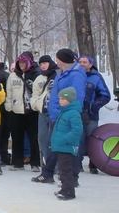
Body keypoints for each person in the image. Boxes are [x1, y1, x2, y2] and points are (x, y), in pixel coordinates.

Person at [32, 48, 86, 184]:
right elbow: (55, 92)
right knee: (52, 144)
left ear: (64, 60)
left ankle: (73, 178)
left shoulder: (76, 74)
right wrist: (54, 112)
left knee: (69, 146)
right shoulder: (62, 72)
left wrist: (66, 113)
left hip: (67, 116)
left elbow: (76, 96)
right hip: (56, 114)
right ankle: (47, 173)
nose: (56, 62)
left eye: (58, 60)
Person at [5, 52, 41, 171]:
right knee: (17, 137)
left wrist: (36, 105)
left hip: (32, 111)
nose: (21, 65)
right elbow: (9, 92)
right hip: (16, 110)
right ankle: (17, 162)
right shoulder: (13, 75)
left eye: (23, 63)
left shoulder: (36, 74)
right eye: (19, 63)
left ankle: (35, 162)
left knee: (33, 138)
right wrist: (9, 106)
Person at [77, 55, 110, 174]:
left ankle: (93, 164)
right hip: (76, 113)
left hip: (91, 115)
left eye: (84, 62)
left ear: (90, 64)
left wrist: (93, 106)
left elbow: (105, 95)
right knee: (77, 139)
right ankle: (77, 163)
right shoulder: (75, 76)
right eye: (80, 61)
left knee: (92, 138)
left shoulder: (96, 77)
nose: (81, 64)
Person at [50, 87, 83, 200]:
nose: (60, 100)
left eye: (63, 99)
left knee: (66, 170)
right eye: (59, 98)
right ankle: (64, 189)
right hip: (61, 147)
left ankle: (69, 192)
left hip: (67, 147)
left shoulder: (73, 113)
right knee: (62, 170)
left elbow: (77, 131)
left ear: (70, 100)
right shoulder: (64, 112)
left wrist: (64, 139)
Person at [31, 55, 58, 166]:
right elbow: (35, 94)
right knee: (42, 139)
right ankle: (46, 164)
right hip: (42, 111)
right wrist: (36, 105)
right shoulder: (39, 78)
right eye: (41, 64)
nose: (43, 66)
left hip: (55, 112)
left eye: (45, 63)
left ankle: (55, 165)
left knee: (54, 140)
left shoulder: (58, 75)